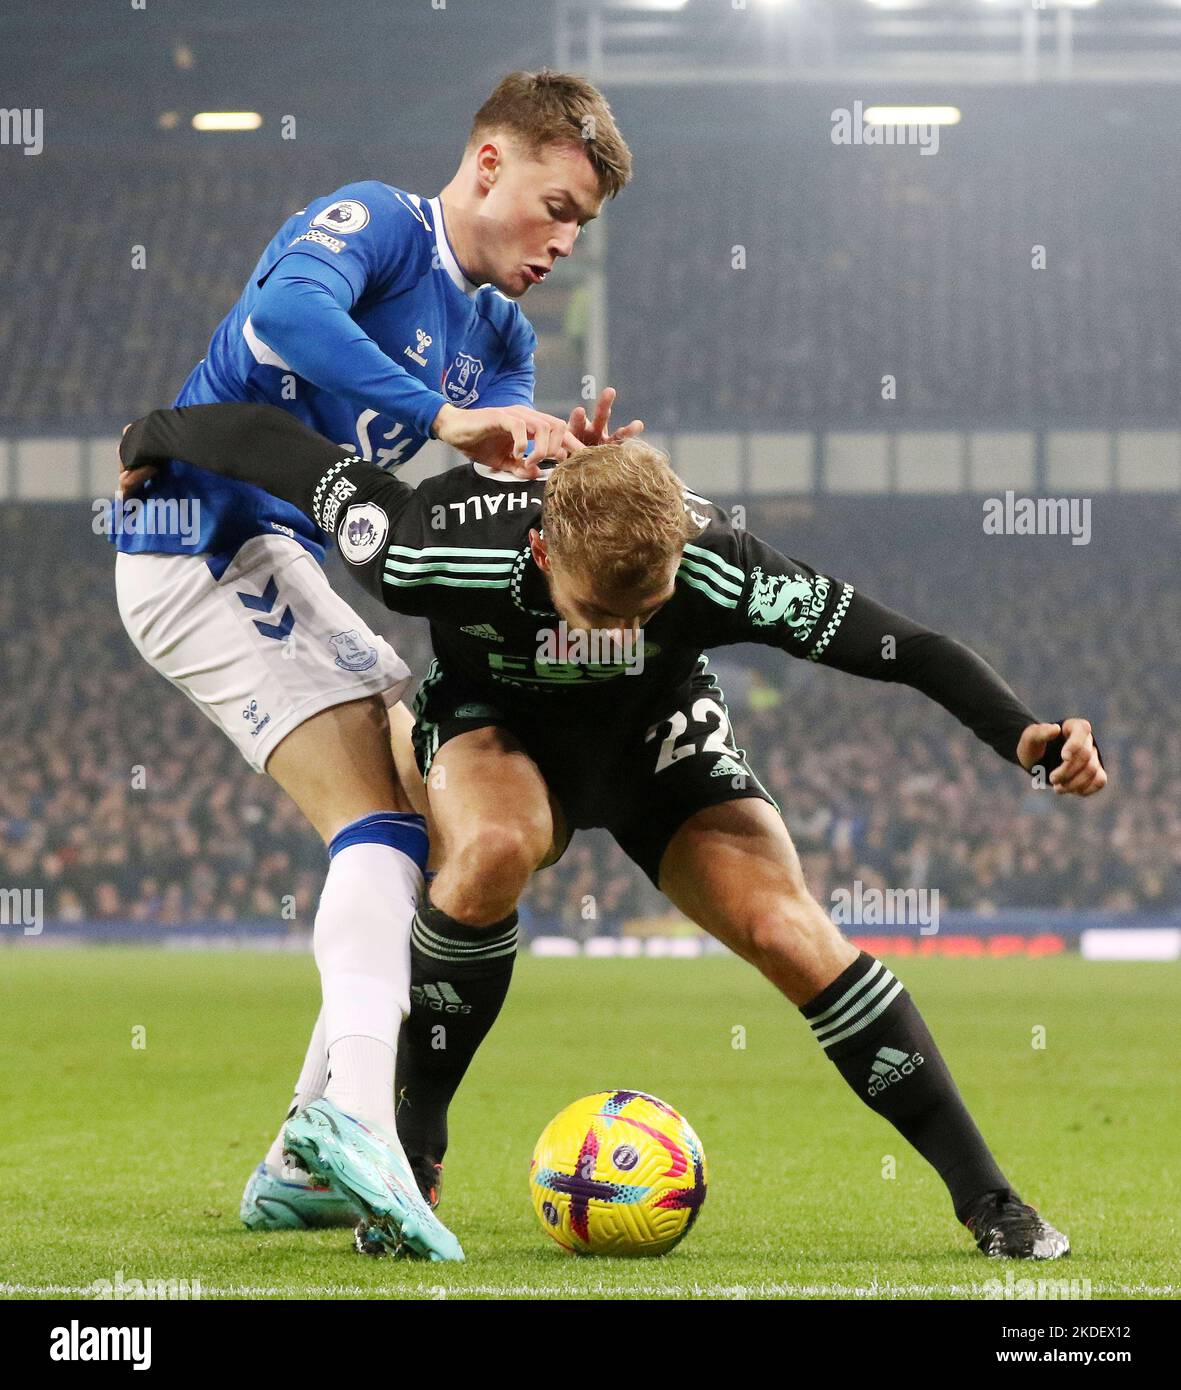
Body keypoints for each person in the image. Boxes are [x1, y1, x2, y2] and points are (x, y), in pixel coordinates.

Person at [119, 401, 1106, 1261]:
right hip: (495, 727)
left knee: (790, 932)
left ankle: (989, 1199)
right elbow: (271, 442)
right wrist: (149, 434)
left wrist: (1023, 733)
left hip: (652, 741)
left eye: (646, 607)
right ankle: (413, 1146)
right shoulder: (431, 544)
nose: (618, 632)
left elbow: (903, 646)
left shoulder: (718, 564)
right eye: (597, 610)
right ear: (543, 551)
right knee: (495, 847)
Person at [112, 70, 637, 1261]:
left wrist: (554, 471)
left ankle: (303, 1153)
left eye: (583, 227)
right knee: (379, 824)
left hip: (275, 554)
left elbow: (462, 498)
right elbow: (284, 322)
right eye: (554, 206)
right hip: (194, 537)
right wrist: (447, 422)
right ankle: (354, 1118)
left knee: (421, 809)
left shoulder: (498, 332)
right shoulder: (374, 224)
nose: (562, 241)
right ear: (489, 160)